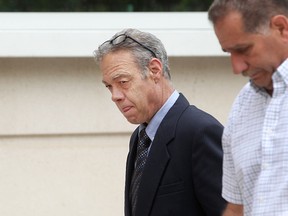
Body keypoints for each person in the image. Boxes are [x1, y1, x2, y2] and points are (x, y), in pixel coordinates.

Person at [94, 28, 226, 216]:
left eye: (123, 82)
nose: (115, 96)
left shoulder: (200, 131)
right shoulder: (140, 138)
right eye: (109, 87)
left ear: (155, 70)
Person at [208, 0, 288, 215]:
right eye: (229, 53)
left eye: (243, 49)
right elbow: (236, 209)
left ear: (282, 28)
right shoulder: (243, 105)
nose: (237, 67)